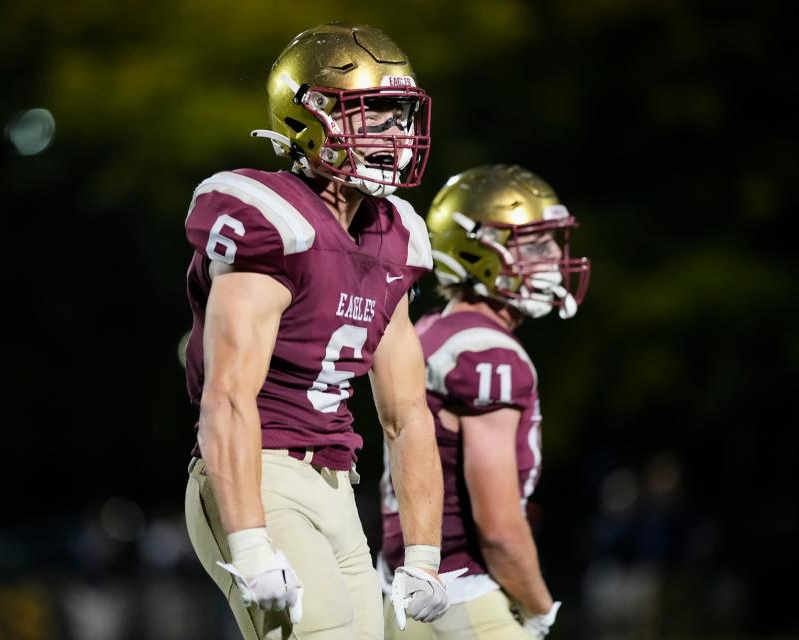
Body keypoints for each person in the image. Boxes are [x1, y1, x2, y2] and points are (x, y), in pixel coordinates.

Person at [182, 23, 453, 640]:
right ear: (314, 119)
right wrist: (249, 540)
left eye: (399, 115)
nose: (396, 136)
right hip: (258, 473)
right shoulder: (270, 219)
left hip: (336, 481)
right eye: (374, 115)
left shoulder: (396, 234)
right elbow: (226, 396)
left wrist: (423, 556)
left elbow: (408, 412)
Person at [379, 164, 591, 639]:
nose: (555, 257)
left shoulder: (428, 330)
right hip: (465, 599)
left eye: (552, 241)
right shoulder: (487, 353)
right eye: (534, 244)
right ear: (476, 252)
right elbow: (497, 527)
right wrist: (539, 608)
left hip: (405, 592)